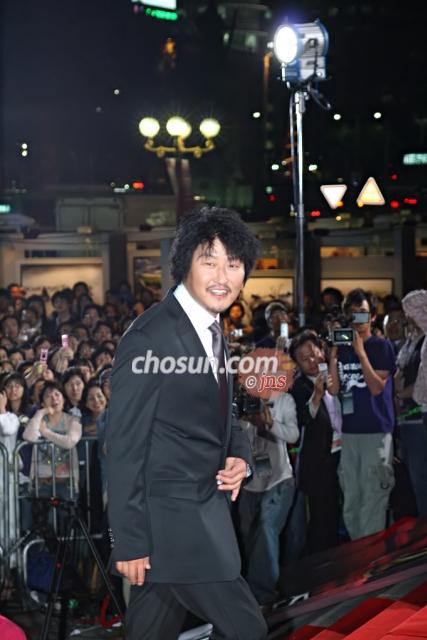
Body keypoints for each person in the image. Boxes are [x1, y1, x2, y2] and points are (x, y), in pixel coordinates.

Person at [106, 207, 267, 640]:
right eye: (209, 262)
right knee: (248, 631)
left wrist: (240, 458)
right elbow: (122, 445)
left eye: (234, 264)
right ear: (184, 266)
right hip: (177, 528)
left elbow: (223, 414)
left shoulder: (211, 329)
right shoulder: (150, 336)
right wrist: (129, 540)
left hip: (193, 522)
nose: (223, 277)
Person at [329, 288, 396, 540]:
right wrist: (333, 357)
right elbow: (334, 389)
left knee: (373, 498)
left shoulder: (381, 347)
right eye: (352, 314)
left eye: (363, 313)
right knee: (351, 498)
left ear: (373, 317)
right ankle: (358, 552)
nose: (357, 319)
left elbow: (377, 387)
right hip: (349, 432)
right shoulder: (343, 348)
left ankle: (371, 557)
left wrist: (361, 353)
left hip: (375, 432)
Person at [238, 396, 299, 605]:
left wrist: (270, 422)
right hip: (250, 486)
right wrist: (242, 420)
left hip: (279, 481)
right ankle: (257, 590)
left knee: (266, 530)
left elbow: (293, 435)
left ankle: (262, 595)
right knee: (250, 540)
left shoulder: (283, 400)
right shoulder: (239, 403)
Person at [289, 332, 341, 553]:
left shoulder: (337, 374)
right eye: (304, 359)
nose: (312, 361)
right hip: (319, 462)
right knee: (322, 517)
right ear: (297, 364)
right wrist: (317, 395)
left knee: (340, 512)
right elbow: (304, 417)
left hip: (344, 453)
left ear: (321, 349)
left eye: (313, 353)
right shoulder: (299, 387)